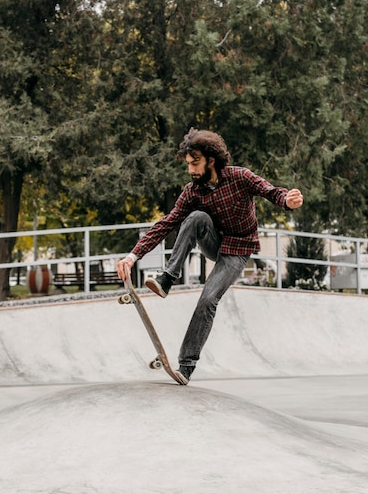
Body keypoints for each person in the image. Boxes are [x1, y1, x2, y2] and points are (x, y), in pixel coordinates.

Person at [117, 128, 303, 384]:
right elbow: (168, 222)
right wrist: (133, 255)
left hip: (237, 251)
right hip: (214, 243)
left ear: (211, 160)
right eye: (188, 165)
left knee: (208, 300)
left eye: (195, 163)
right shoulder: (193, 191)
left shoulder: (240, 177)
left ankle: (187, 365)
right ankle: (168, 279)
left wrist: (287, 200)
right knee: (195, 217)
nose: (191, 170)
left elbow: (271, 192)